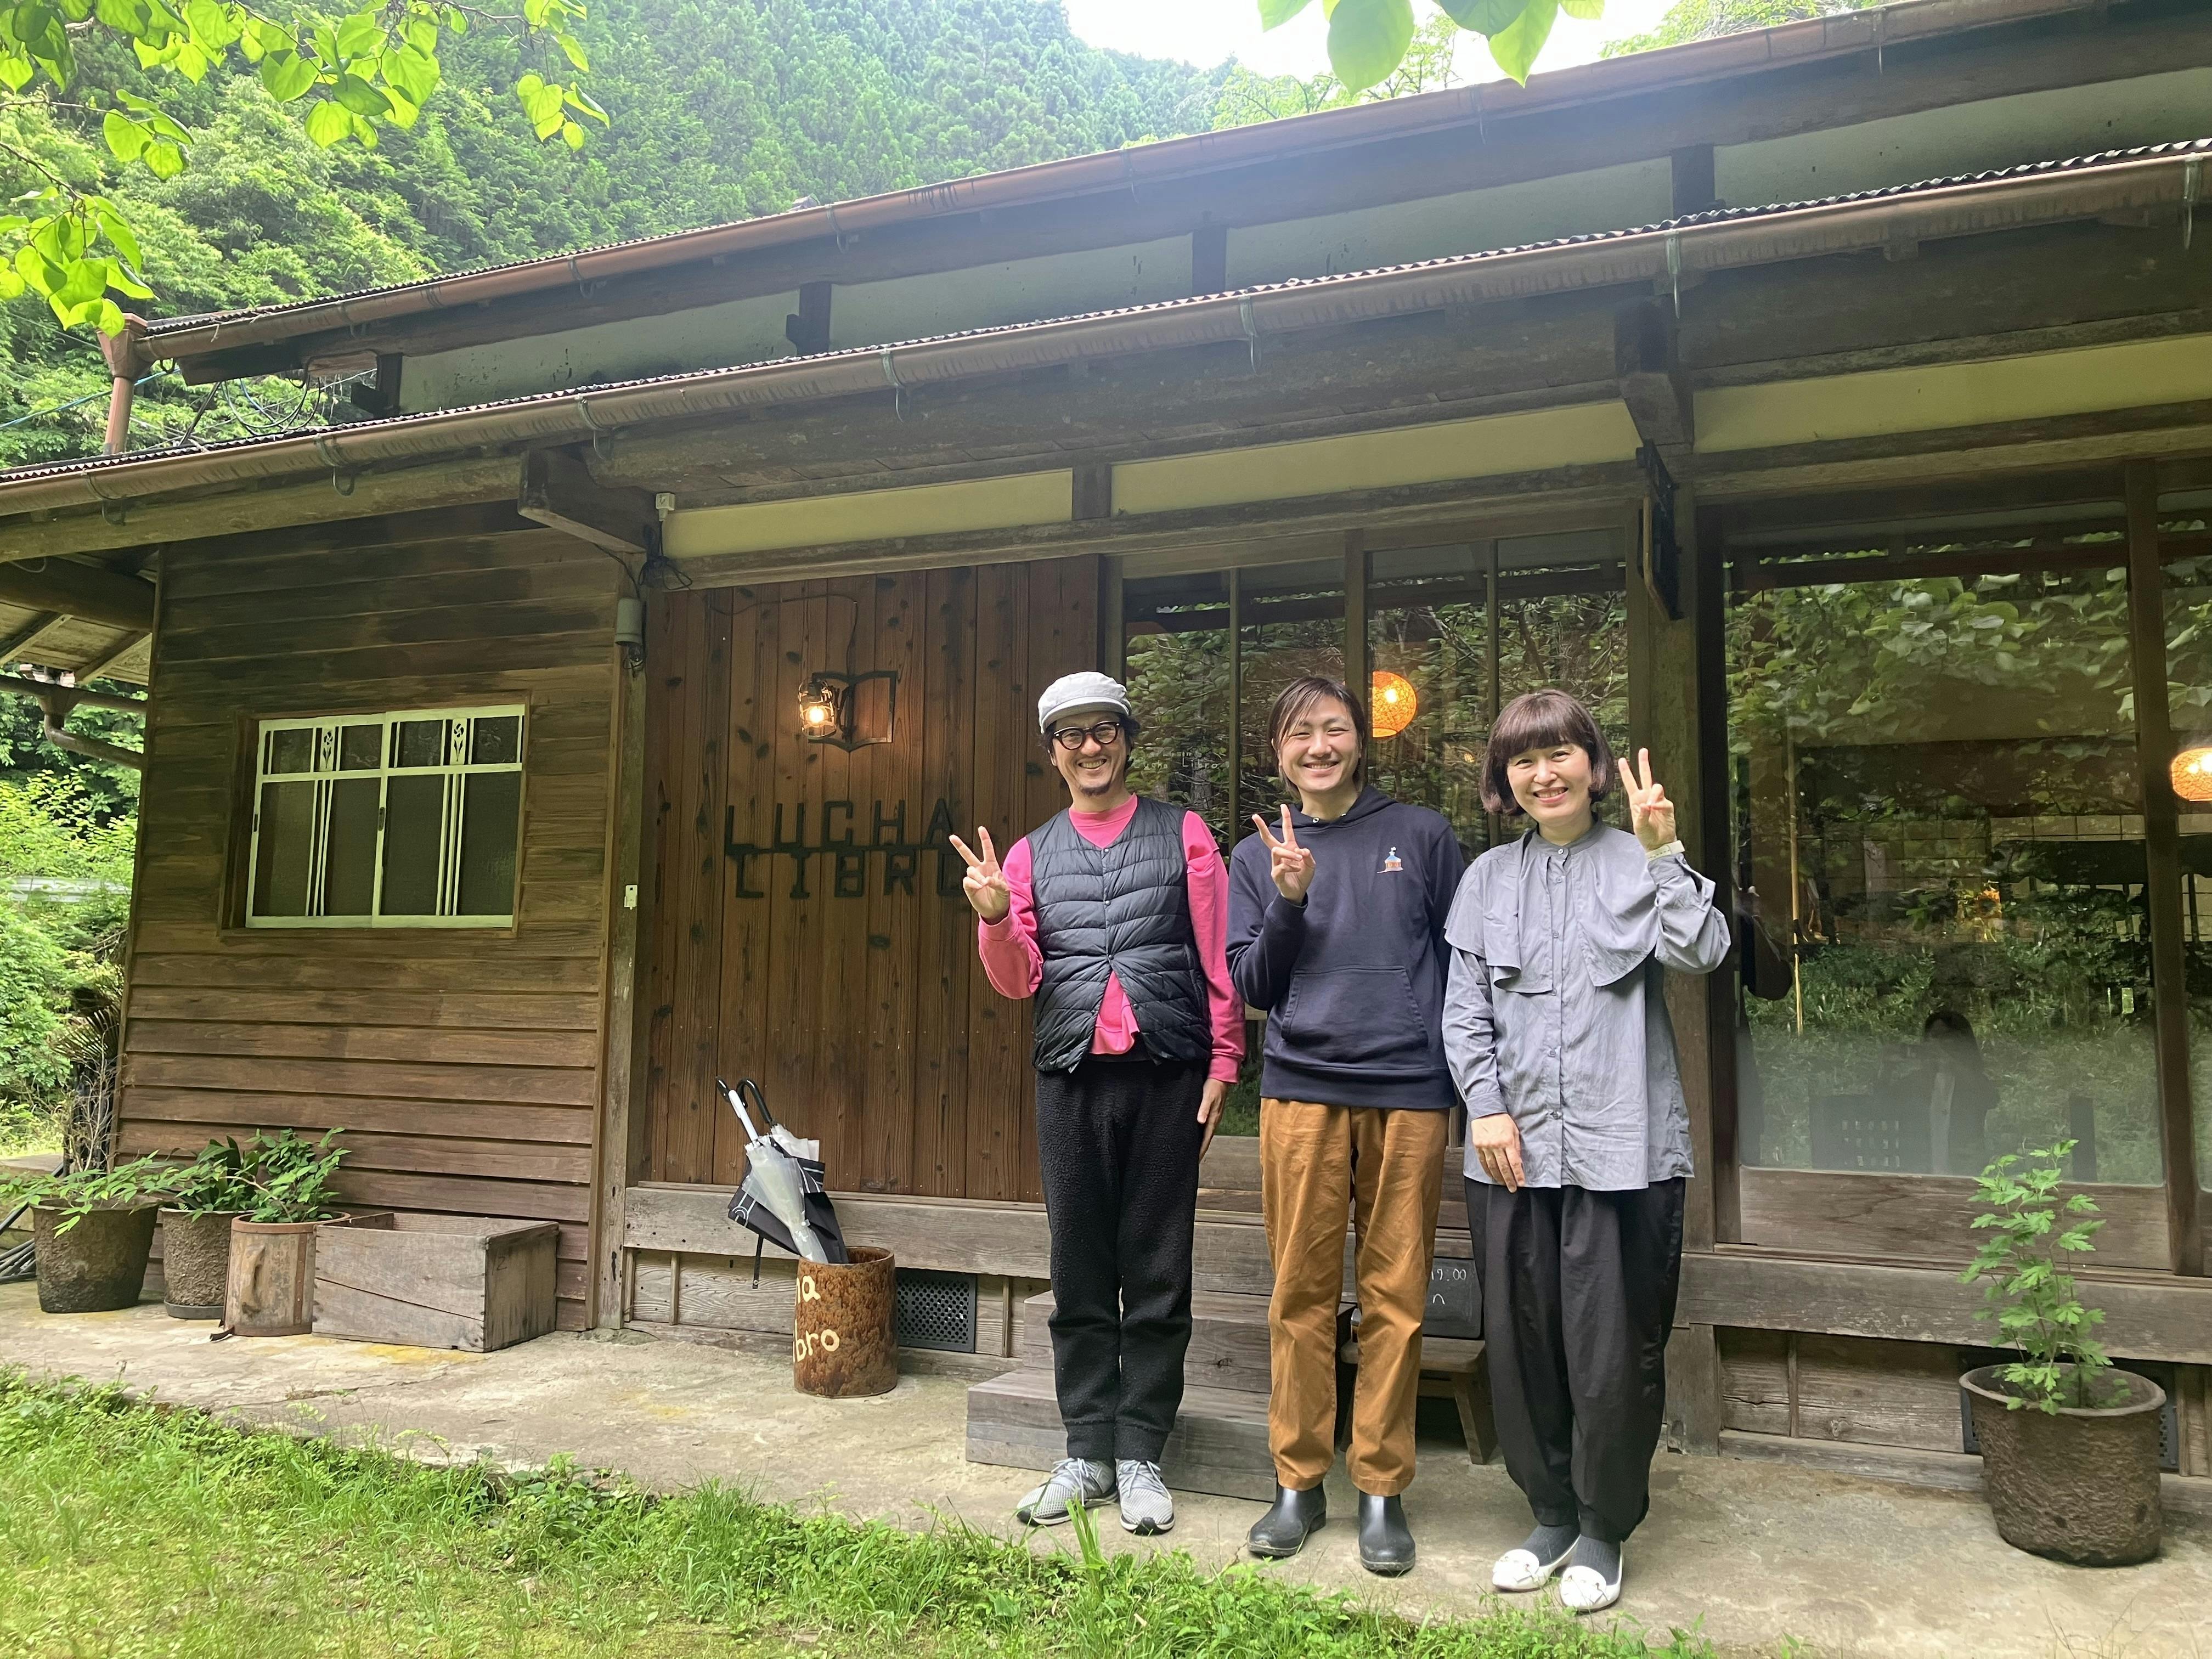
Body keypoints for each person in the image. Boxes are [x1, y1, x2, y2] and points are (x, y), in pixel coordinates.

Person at [1441, 689, 1729, 1615]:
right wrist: (1486, 1110)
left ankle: (1605, 1526)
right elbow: (1464, 1012)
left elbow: (1703, 951)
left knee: (1611, 1350)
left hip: (1622, 1150)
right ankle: (1552, 1514)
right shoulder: (1487, 881)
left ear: (1592, 765)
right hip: (1512, 1153)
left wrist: (1665, 852)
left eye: (1560, 752)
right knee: (1522, 1345)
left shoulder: (1638, 860)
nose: (1544, 774)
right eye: (1524, 760)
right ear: (1505, 779)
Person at [952, 670, 1242, 1537]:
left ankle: (1142, 1449)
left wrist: (1225, 1061)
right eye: (1071, 735)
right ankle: (1086, 1450)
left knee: (1157, 1269)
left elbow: (1217, 956)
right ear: (1053, 753)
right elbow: (1019, 982)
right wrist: (995, 918)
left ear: (1126, 740)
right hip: (1071, 1077)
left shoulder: (1184, 833)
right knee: (1078, 1268)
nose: (1090, 747)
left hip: (1167, 1074)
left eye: (1104, 730)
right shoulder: (1028, 855)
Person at [1224, 675, 1464, 1576]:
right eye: (1300, 734)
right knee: (1300, 1293)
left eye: (1333, 729)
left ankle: (1382, 1488)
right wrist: (1288, 900)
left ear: (1361, 740)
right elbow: (1252, 986)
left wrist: (1465, 1083)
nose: (1318, 747)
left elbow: (1465, 965)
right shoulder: (1257, 854)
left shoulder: (1423, 835)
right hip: (1300, 1092)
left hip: (1409, 1088)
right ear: (1279, 753)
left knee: (1397, 1297)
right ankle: (1298, 1481)